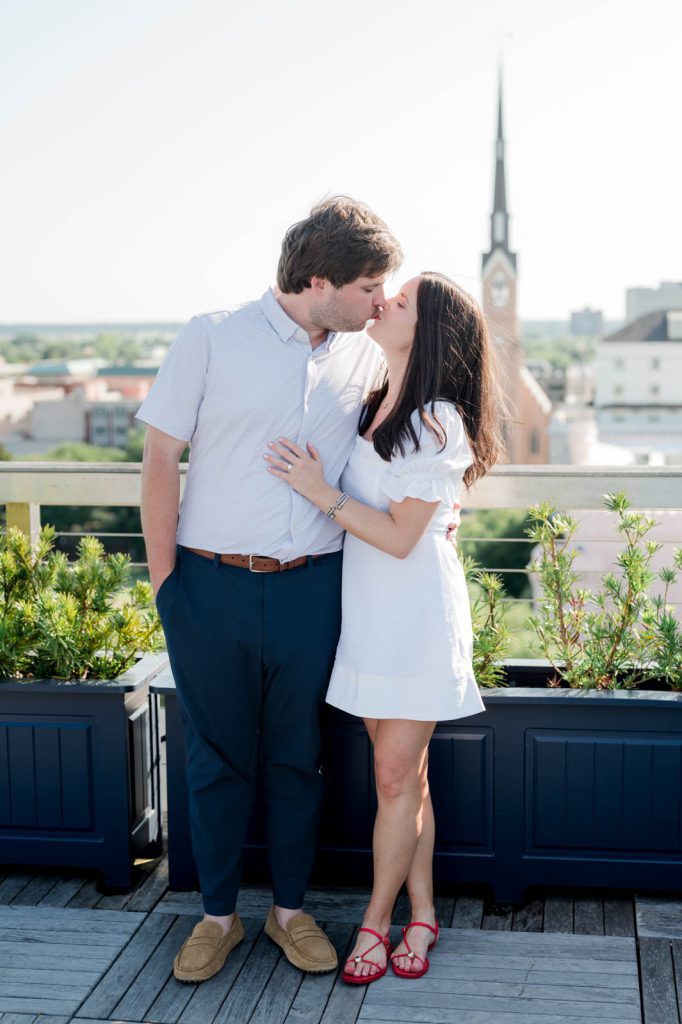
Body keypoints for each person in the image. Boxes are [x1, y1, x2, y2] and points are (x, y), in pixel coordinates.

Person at [136, 196, 403, 982]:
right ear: (318, 279)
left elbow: (413, 432)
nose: (380, 301)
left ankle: (289, 912)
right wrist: (166, 589)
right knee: (215, 761)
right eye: (369, 287)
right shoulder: (212, 337)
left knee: (299, 758)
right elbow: (158, 462)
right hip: (208, 590)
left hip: (314, 591)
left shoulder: (363, 352)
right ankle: (217, 919)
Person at [265, 271, 504, 984]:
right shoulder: (378, 397)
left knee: (395, 778)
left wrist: (319, 493)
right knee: (407, 780)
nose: (384, 302)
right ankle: (422, 913)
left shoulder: (437, 421)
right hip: (369, 612)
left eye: (401, 302)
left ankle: (375, 923)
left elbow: (401, 538)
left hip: (415, 617)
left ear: (426, 330)